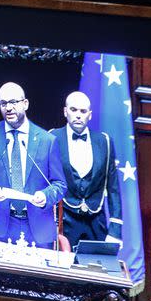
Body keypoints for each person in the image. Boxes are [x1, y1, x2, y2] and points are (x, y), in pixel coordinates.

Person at [0, 82, 66, 247]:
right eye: (3, 103)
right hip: (1, 227)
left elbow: (60, 185)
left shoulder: (47, 141)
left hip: (38, 228)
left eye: (14, 102)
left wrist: (45, 196)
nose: (8, 108)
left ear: (25, 104)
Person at [50, 91, 122, 247]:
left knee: (96, 268)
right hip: (64, 222)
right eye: (73, 110)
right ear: (65, 111)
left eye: (83, 111)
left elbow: (113, 188)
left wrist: (116, 229)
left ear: (90, 115)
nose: (78, 115)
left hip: (96, 223)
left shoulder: (105, 141)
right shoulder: (52, 138)